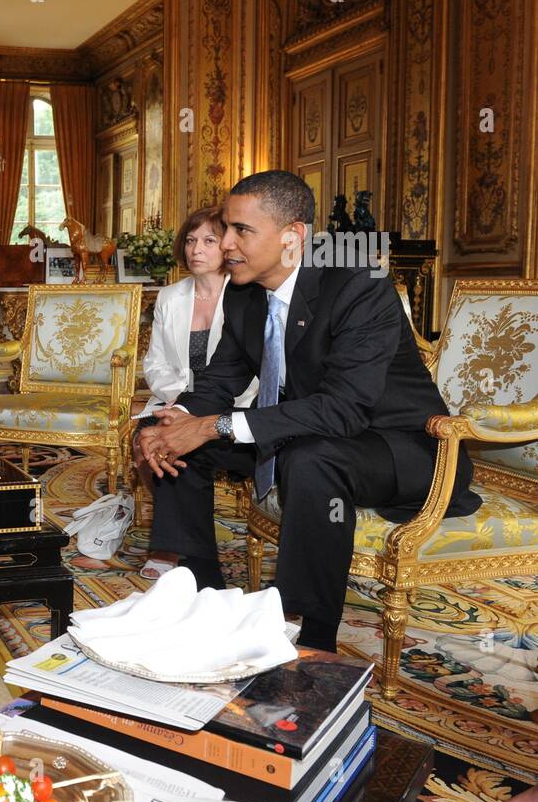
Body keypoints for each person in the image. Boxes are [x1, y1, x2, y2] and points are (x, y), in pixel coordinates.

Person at [135, 170, 479, 652]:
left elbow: (344, 410)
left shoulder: (359, 283)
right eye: (225, 229)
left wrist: (215, 424)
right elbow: (218, 381)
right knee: (173, 438)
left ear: (292, 236)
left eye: (241, 231)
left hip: (404, 446)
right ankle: (202, 589)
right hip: (306, 433)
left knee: (310, 458)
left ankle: (310, 638)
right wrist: (173, 421)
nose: (226, 244)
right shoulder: (243, 292)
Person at [132, 206, 258, 579]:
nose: (196, 249)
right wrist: (180, 402)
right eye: (190, 240)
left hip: (236, 405)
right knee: (149, 439)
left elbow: (249, 374)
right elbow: (153, 363)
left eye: (208, 240)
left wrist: (196, 411)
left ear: (229, 246)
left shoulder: (247, 296)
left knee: (176, 442)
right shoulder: (171, 297)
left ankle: (173, 549)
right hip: (176, 400)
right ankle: (175, 548)